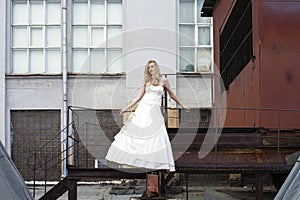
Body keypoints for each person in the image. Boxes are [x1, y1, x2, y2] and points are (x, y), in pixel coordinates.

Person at [105, 60, 189, 172]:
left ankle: (156, 162)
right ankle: (138, 160)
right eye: (149, 67)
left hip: (154, 110)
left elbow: (172, 94)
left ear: (156, 67)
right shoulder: (147, 81)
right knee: (139, 133)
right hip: (144, 108)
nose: (150, 69)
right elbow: (138, 98)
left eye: (152, 66)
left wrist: (183, 106)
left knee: (157, 135)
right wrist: (126, 109)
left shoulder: (164, 80)